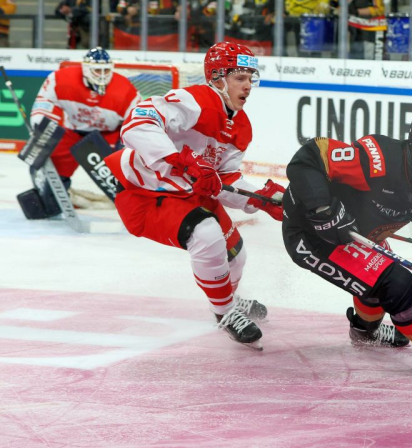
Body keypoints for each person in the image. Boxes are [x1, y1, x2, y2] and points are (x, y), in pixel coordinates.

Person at [281, 106, 412, 374]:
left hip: (357, 235)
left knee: (377, 283)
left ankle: (364, 331)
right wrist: (321, 209)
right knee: (396, 284)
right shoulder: (377, 157)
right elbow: (311, 155)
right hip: (311, 235)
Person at [102, 41, 284, 350]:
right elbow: (137, 121)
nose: (248, 86)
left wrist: (262, 199)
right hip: (149, 193)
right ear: (217, 78)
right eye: (240, 77)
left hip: (191, 193)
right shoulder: (195, 100)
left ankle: (228, 296)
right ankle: (225, 313)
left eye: (251, 78)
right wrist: (177, 158)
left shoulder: (242, 126)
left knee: (236, 256)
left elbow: (226, 179)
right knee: (206, 233)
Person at [29, 47, 141, 208]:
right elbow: (45, 101)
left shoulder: (124, 89)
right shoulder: (61, 79)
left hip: (107, 135)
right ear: (86, 69)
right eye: (97, 70)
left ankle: (133, 201)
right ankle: (53, 199)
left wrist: (125, 147)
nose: (102, 74)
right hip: (73, 131)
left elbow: (136, 120)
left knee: (122, 171)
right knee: (57, 166)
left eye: (106, 70)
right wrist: (39, 123)